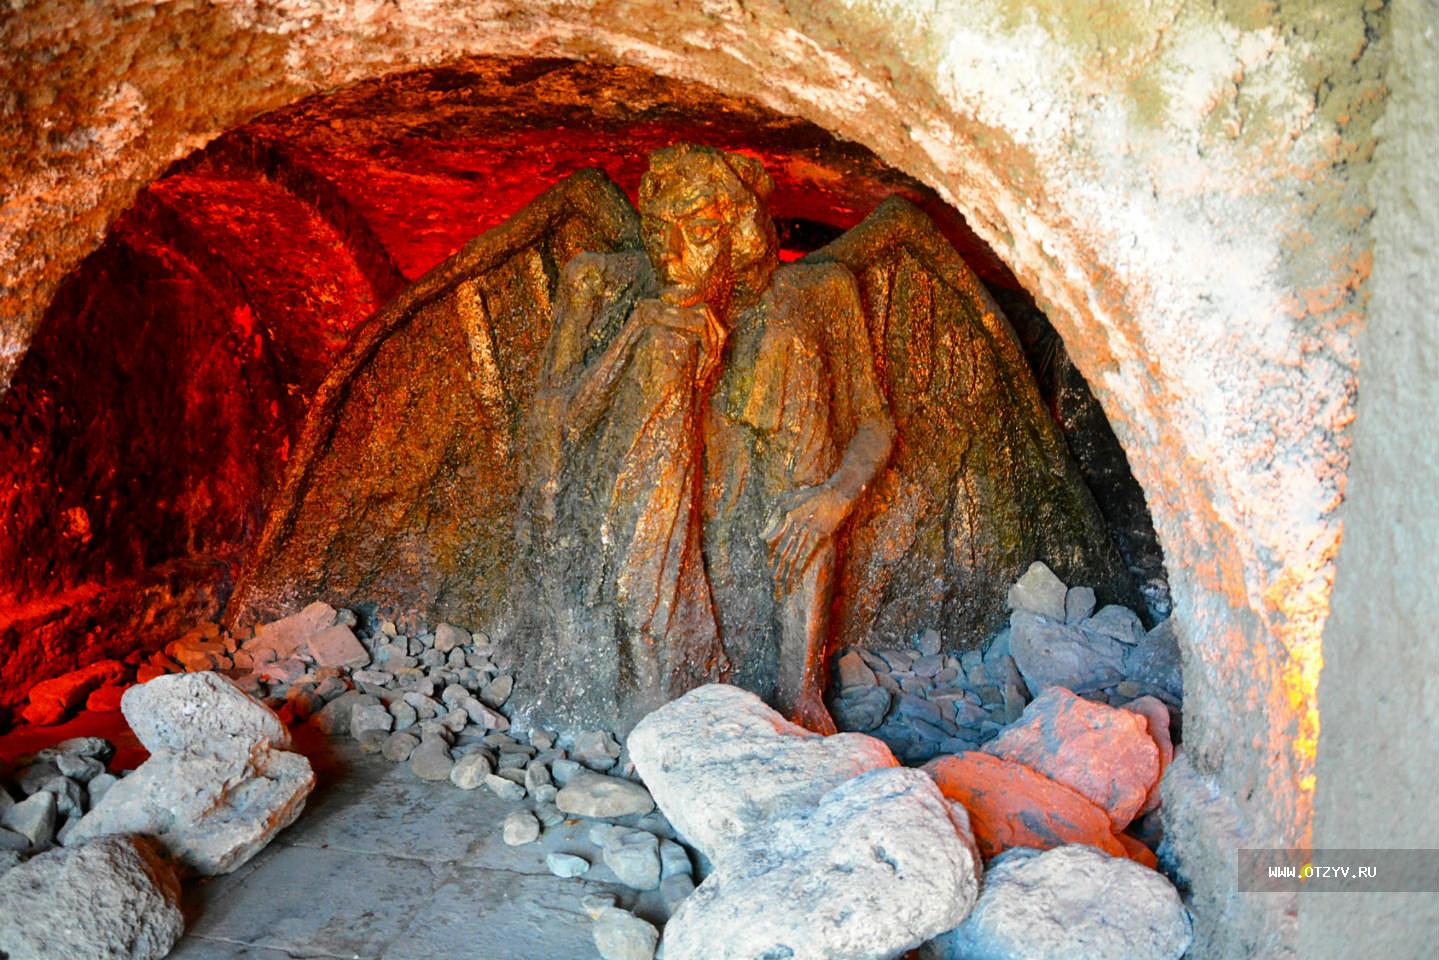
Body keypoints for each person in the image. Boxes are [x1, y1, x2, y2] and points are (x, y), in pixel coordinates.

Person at [517, 144, 893, 733]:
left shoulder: (820, 294)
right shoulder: (616, 287)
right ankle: (652, 672)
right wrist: (637, 332)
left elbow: (874, 422)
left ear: (738, 232)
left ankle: (800, 692)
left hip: (775, 511)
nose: (671, 257)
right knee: (665, 346)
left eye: (696, 231)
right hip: (668, 519)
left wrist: (837, 497)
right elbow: (550, 426)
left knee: (802, 442)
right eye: (657, 231)